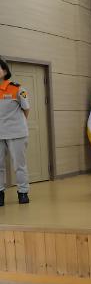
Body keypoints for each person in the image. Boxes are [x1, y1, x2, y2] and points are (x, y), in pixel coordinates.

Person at [0, 57, 30, 206]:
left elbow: (26, 109)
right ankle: (0, 194)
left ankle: (23, 192)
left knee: (19, 165)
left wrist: (17, 125)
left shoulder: (17, 88)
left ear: (5, 71)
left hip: (16, 133)